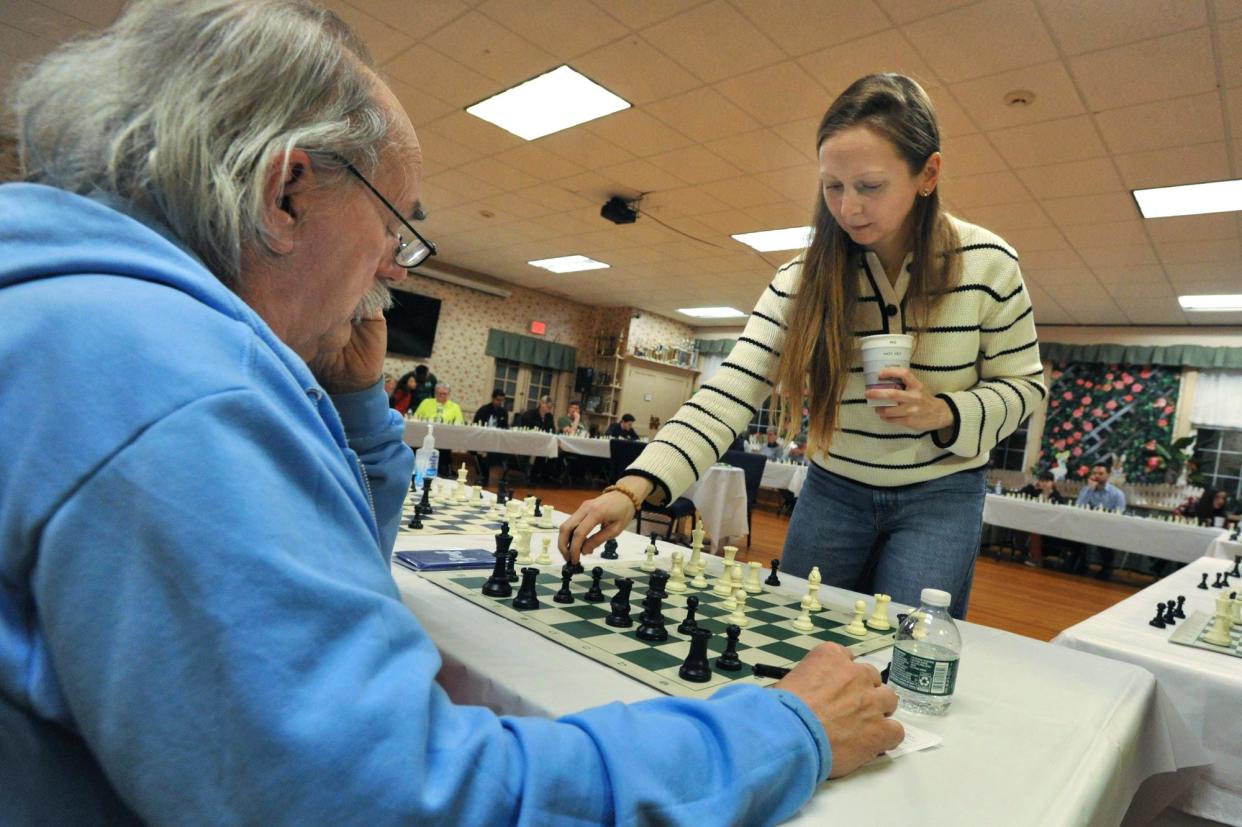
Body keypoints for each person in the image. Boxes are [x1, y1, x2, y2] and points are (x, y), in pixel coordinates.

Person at [0, 3, 903, 822]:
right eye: (398, 226)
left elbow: (332, 591)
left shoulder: (74, 313)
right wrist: (784, 728)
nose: (395, 268)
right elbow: (412, 798)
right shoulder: (178, 387)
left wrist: (357, 407)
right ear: (287, 194)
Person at [561, 73, 1045, 620]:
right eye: (832, 186)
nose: (848, 207)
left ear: (927, 174)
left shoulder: (990, 264)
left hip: (942, 494)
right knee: (801, 632)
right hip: (833, 490)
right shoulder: (801, 277)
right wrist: (630, 489)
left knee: (908, 650)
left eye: (869, 185)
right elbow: (732, 389)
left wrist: (944, 411)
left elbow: (1025, 387)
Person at [1068, 464, 1127, 578]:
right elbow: (1078, 506)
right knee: (1074, 533)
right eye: (1095, 473)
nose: (1097, 476)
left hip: (1108, 527)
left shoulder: (1117, 494)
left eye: (1101, 474)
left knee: (1105, 538)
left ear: (1108, 475)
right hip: (1087, 525)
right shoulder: (1087, 490)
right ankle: (1077, 563)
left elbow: (1120, 513)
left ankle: (1107, 568)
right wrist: (1089, 490)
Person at [471, 389, 510, 485]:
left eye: (502, 400)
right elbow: (476, 425)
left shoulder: (503, 412)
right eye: (498, 400)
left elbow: (505, 427)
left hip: (497, 440)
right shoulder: (483, 410)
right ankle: (481, 476)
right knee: (482, 455)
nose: (500, 402)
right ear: (493, 398)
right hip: (483, 439)